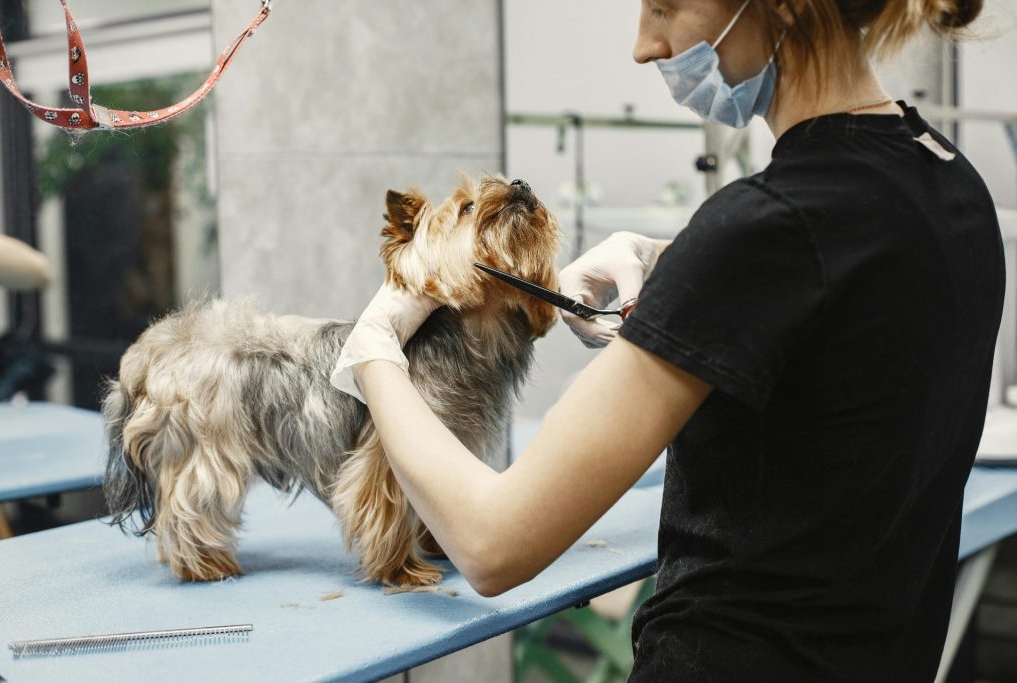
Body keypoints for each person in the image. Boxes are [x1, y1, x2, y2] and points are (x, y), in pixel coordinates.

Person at [332, 0, 1003, 679]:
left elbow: (491, 541)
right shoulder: (950, 183)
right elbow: (836, 280)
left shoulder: (764, 230)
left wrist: (376, 351)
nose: (645, 45)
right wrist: (668, 261)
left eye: (665, 7)